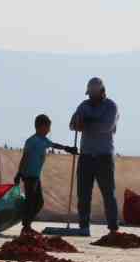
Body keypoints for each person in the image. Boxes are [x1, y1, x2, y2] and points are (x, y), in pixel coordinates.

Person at [69, 77, 120, 234]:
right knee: (83, 194)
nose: (90, 97)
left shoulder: (111, 106)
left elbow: (106, 126)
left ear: (101, 92)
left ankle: (113, 228)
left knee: (108, 193)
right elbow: (72, 124)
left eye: (93, 94)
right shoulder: (83, 106)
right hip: (86, 156)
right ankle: (84, 226)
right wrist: (79, 122)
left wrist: (86, 123)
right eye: (89, 95)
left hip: (103, 156)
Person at [14, 114, 74, 233]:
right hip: (28, 175)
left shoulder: (43, 140)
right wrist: (19, 173)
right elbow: (25, 157)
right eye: (48, 127)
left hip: (36, 176)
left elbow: (54, 145)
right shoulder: (32, 141)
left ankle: (27, 223)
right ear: (40, 127)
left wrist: (68, 148)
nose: (49, 130)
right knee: (31, 201)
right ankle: (26, 226)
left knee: (39, 202)